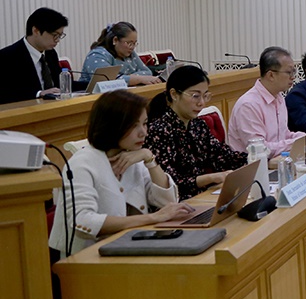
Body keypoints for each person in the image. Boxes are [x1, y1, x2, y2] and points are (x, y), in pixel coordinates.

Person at [48, 89, 192, 258]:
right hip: (89, 258)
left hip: (131, 248)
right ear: (112, 125)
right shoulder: (81, 163)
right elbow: (83, 222)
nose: (143, 132)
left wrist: (149, 159)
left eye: (145, 123)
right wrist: (153, 218)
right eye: (134, 125)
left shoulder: (132, 156)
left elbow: (168, 201)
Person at [145, 65, 249, 200]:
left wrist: (261, 160)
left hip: (202, 198)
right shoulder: (159, 131)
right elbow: (169, 183)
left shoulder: (198, 125)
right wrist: (210, 178)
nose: (202, 103)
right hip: (177, 203)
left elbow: (223, 157)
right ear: (174, 94)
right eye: (195, 96)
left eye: (205, 96)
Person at [226, 46, 306, 156]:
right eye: (289, 72)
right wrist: (296, 143)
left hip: (277, 160)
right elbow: (260, 149)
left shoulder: (279, 97)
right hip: (253, 165)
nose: (293, 77)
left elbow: (284, 135)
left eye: (294, 72)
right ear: (271, 75)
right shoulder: (248, 105)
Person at [0, 7, 70, 103]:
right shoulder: (7, 57)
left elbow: (60, 85)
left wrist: (90, 84)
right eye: (55, 35)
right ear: (36, 31)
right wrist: (39, 93)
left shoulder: (51, 53)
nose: (57, 40)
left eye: (60, 36)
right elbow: (6, 93)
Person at [79, 21, 159, 86]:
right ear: (115, 40)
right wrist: (138, 79)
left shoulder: (130, 53)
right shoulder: (97, 55)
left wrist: (127, 78)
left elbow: (147, 72)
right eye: (129, 43)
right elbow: (106, 80)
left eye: (134, 43)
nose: (132, 47)